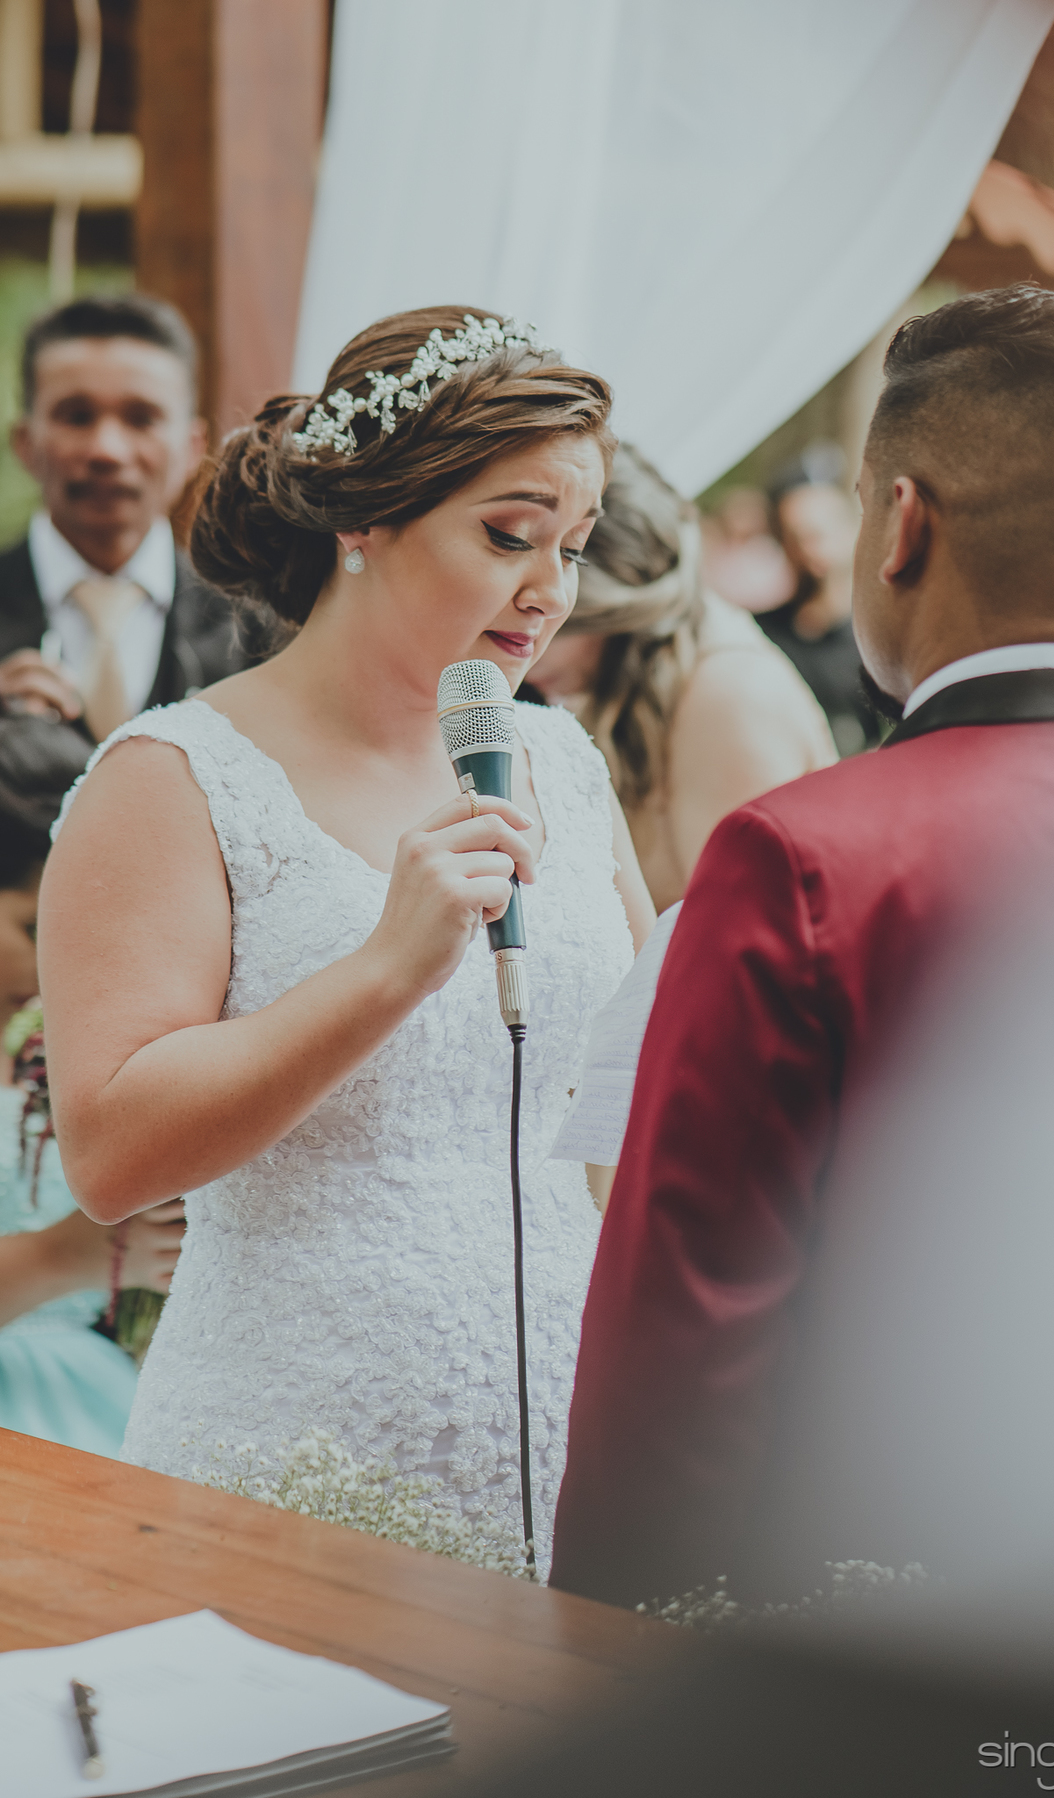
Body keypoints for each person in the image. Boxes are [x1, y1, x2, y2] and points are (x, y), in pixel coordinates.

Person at [549, 287, 1054, 1612]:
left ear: (900, 524)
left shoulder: (797, 861)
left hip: (875, 1640)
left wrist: (600, 1653)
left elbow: (681, 1340)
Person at [38, 307, 655, 1569]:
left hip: (573, 1431)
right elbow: (108, 1150)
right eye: (508, 535)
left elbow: (633, 1093)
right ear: (361, 519)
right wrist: (386, 968)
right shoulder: (172, 775)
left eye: (574, 547)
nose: (550, 589)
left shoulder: (561, 762)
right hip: (292, 1442)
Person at [527, 446, 836, 913]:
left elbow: (735, 940)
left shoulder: (727, 697)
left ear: (618, 610)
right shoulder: (629, 686)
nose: (527, 653)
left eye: (549, 620)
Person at [0, 711, 183, 1456]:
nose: (54, 965)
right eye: (31, 930)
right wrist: (68, 1256)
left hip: (100, 1397)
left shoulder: (68, 1044)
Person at [0, 293, 262, 740]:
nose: (107, 450)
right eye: (77, 417)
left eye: (142, 418)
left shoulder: (252, 628)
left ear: (192, 448)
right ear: (25, 442)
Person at [754, 468, 882, 754]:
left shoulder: (886, 638)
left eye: (820, 531)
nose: (809, 547)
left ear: (853, 529)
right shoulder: (760, 637)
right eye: (795, 535)